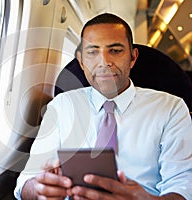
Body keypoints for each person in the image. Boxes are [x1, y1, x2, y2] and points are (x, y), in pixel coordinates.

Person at [14, 13, 192, 200]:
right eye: (92, 52)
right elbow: (26, 183)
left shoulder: (172, 108)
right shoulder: (61, 106)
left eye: (115, 51)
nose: (104, 62)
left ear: (132, 57)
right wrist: (40, 189)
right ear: (81, 61)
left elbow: (183, 188)